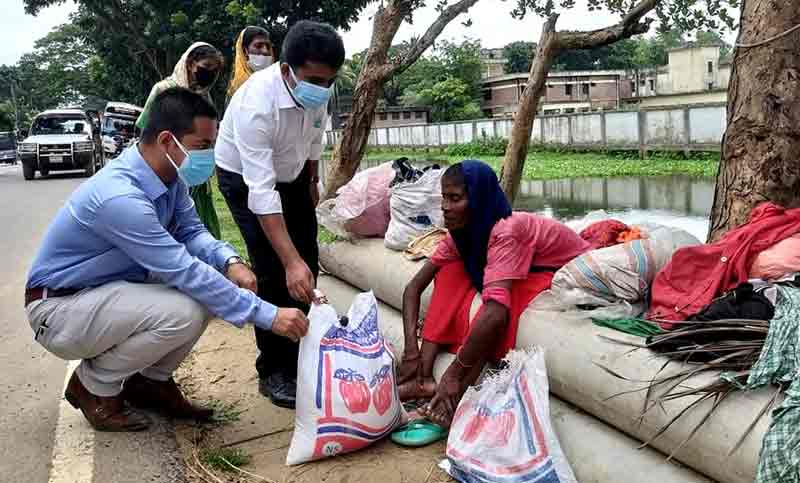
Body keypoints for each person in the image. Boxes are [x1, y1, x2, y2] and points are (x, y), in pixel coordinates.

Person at [25, 88, 310, 432]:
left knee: (205, 294)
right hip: (59, 308)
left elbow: (192, 232)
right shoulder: (121, 197)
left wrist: (229, 260)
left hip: (100, 293)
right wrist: (269, 315)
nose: (209, 156)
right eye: (202, 146)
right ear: (166, 140)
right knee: (184, 310)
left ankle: (149, 383)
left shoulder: (169, 179)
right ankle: (93, 386)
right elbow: (182, 268)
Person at [397, 160, 591, 428]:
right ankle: (423, 377)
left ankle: (456, 395)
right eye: (444, 198)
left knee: (498, 311)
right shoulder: (461, 234)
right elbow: (413, 287)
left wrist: (454, 373)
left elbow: (496, 313)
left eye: (455, 199)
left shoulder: (507, 230)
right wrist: (410, 350)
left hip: (556, 270)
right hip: (521, 264)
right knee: (450, 274)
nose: (444, 207)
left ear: (478, 199)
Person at [215, 20, 344, 409]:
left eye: (328, 81)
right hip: (244, 179)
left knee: (308, 256)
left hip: (292, 174)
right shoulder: (258, 104)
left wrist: (311, 179)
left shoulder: (318, 89)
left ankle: (301, 349)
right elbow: (262, 194)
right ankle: (273, 369)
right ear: (286, 69)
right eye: (314, 80)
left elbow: (315, 137)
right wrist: (290, 262)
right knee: (274, 268)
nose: (321, 88)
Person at [136, 42, 224, 239]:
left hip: (193, 173)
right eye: (207, 67)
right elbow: (146, 131)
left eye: (215, 70)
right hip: (168, 170)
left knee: (198, 226)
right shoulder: (163, 90)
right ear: (191, 63)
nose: (210, 74)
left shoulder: (204, 97)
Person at [226, 26, 275, 103]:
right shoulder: (237, 89)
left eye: (268, 47)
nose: (265, 51)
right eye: (258, 46)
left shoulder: (278, 82)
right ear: (245, 51)